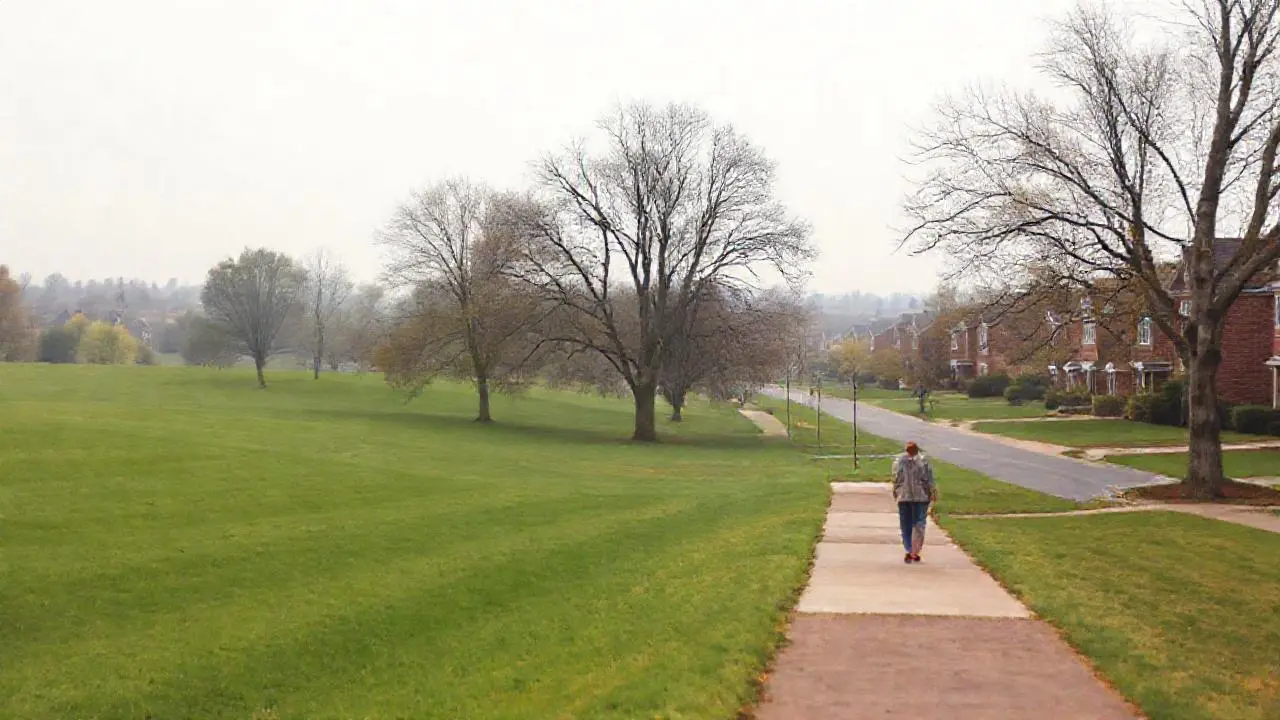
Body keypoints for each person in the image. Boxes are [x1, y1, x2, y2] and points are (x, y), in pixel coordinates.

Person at [892, 441, 937, 564]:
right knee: (911, 524)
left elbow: (928, 479)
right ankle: (911, 550)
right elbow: (897, 479)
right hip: (908, 497)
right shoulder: (901, 461)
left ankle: (913, 551)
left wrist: (931, 492)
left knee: (916, 524)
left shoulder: (922, 462)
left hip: (917, 497)